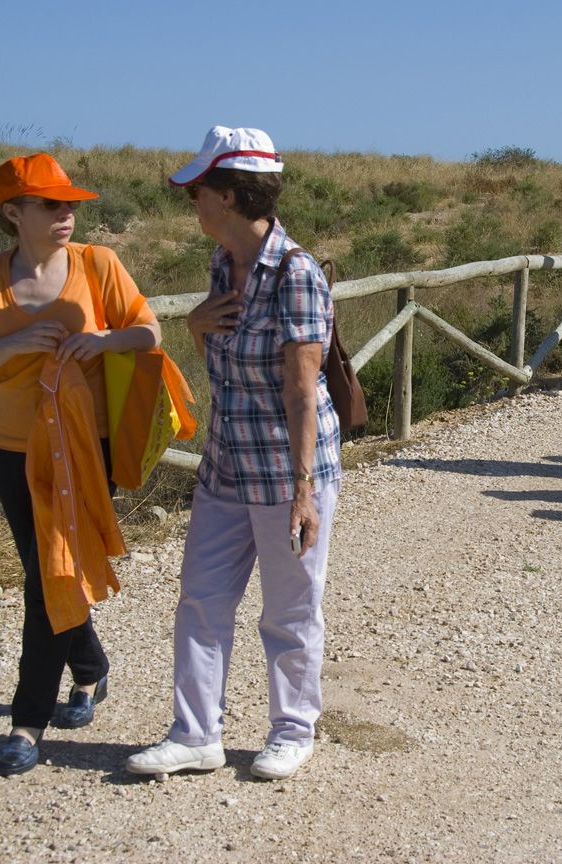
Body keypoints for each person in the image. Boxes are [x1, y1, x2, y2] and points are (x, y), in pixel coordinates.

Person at [127, 126, 343, 782]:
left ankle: (292, 730)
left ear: (229, 194)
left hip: (286, 471)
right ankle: (196, 735)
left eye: (199, 191)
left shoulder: (295, 274)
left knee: (289, 607)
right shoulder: (224, 262)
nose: (192, 202)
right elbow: (224, 367)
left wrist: (304, 492)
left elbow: (302, 392)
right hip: (227, 464)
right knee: (201, 598)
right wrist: (194, 326)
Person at [0, 154, 162, 775]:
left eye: (69, 203)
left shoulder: (99, 265)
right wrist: (11, 344)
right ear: (13, 213)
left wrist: (104, 340)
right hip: (11, 450)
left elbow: (148, 332)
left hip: (87, 448)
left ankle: (26, 721)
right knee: (48, 570)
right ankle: (90, 669)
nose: (66, 213)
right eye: (50, 204)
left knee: (49, 577)